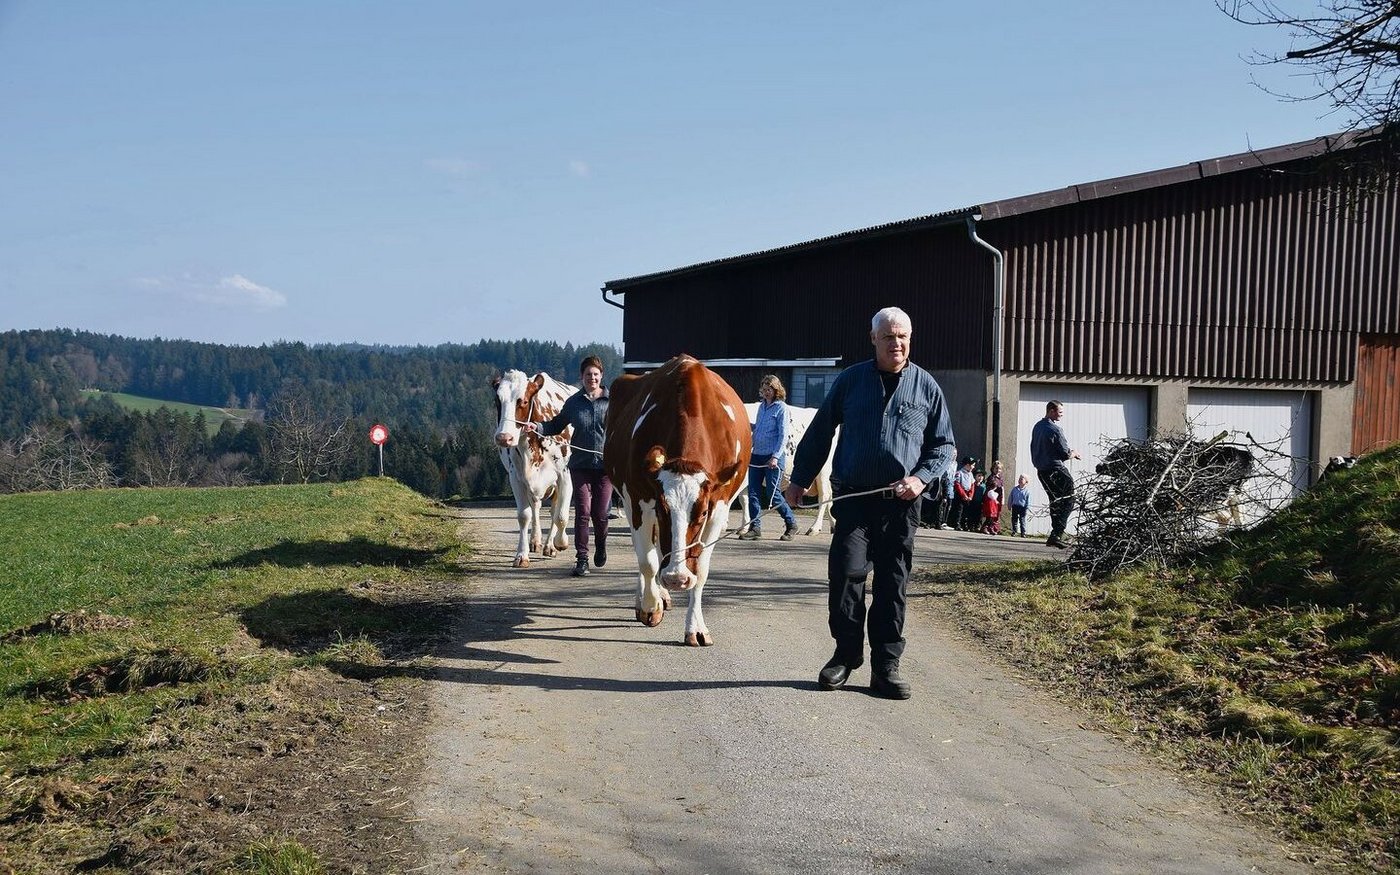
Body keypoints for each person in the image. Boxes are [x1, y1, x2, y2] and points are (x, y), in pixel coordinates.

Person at [783, 306, 955, 701]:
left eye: (903, 337)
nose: (896, 344)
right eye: (889, 337)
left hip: (901, 503)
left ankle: (885, 666)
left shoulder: (927, 387)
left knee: (893, 584)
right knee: (846, 573)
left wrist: (920, 477)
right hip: (854, 500)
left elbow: (943, 444)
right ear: (873, 338)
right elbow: (821, 429)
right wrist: (799, 478)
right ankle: (845, 654)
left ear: (909, 340)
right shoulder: (850, 381)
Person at [528, 356, 612, 577]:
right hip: (580, 466)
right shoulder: (574, 403)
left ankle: (601, 544)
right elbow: (556, 424)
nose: (591, 378)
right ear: (582, 377)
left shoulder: (612, 402)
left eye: (595, 375)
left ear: (601, 376)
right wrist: (536, 426)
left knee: (600, 514)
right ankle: (582, 559)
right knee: (583, 511)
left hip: (605, 467)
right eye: (587, 375)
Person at [740, 375, 800, 541]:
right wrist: (745, 426)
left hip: (772, 458)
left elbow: (783, 435)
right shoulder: (762, 408)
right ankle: (755, 527)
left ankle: (791, 524)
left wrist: (775, 457)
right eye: (764, 389)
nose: (766, 393)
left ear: (776, 390)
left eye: (769, 390)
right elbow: (758, 429)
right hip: (756, 455)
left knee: (773, 495)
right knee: (753, 493)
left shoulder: (781, 408)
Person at [1030, 399, 1081, 549]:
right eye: (1060, 412)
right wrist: (1074, 453)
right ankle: (1058, 533)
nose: (1061, 415)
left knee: (1055, 501)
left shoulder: (1037, 427)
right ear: (1051, 411)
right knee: (1070, 499)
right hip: (1056, 469)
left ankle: (1056, 534)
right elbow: (1065, 454)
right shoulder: (1055, 429)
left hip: (1042, 471)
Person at [950, 457, 975, 531]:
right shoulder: (959, 473)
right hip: (960, 494)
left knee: (966, 510)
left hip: (968, 494)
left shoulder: (971, 474)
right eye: (972, 465)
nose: (973, 467)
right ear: (967, 465)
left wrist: (970, 495)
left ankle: (965, 524)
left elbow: (972, 485)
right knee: (959, 510)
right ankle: (957, 523)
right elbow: (957, 484)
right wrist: (963, 495)